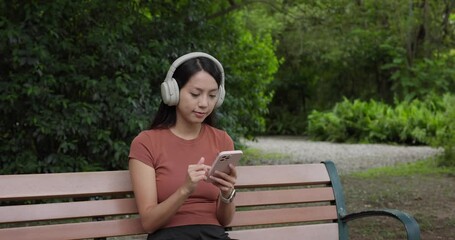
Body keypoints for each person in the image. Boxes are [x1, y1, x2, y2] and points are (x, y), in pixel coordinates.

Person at [128, 52, 237, 240]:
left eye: (212, 96)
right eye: (195, 94)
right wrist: (185, 190)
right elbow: (148, 223)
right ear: (173, 92)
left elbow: (224, 221)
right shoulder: (146, 143)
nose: (204, 103)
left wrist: (227, 193)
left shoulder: (222, 140)